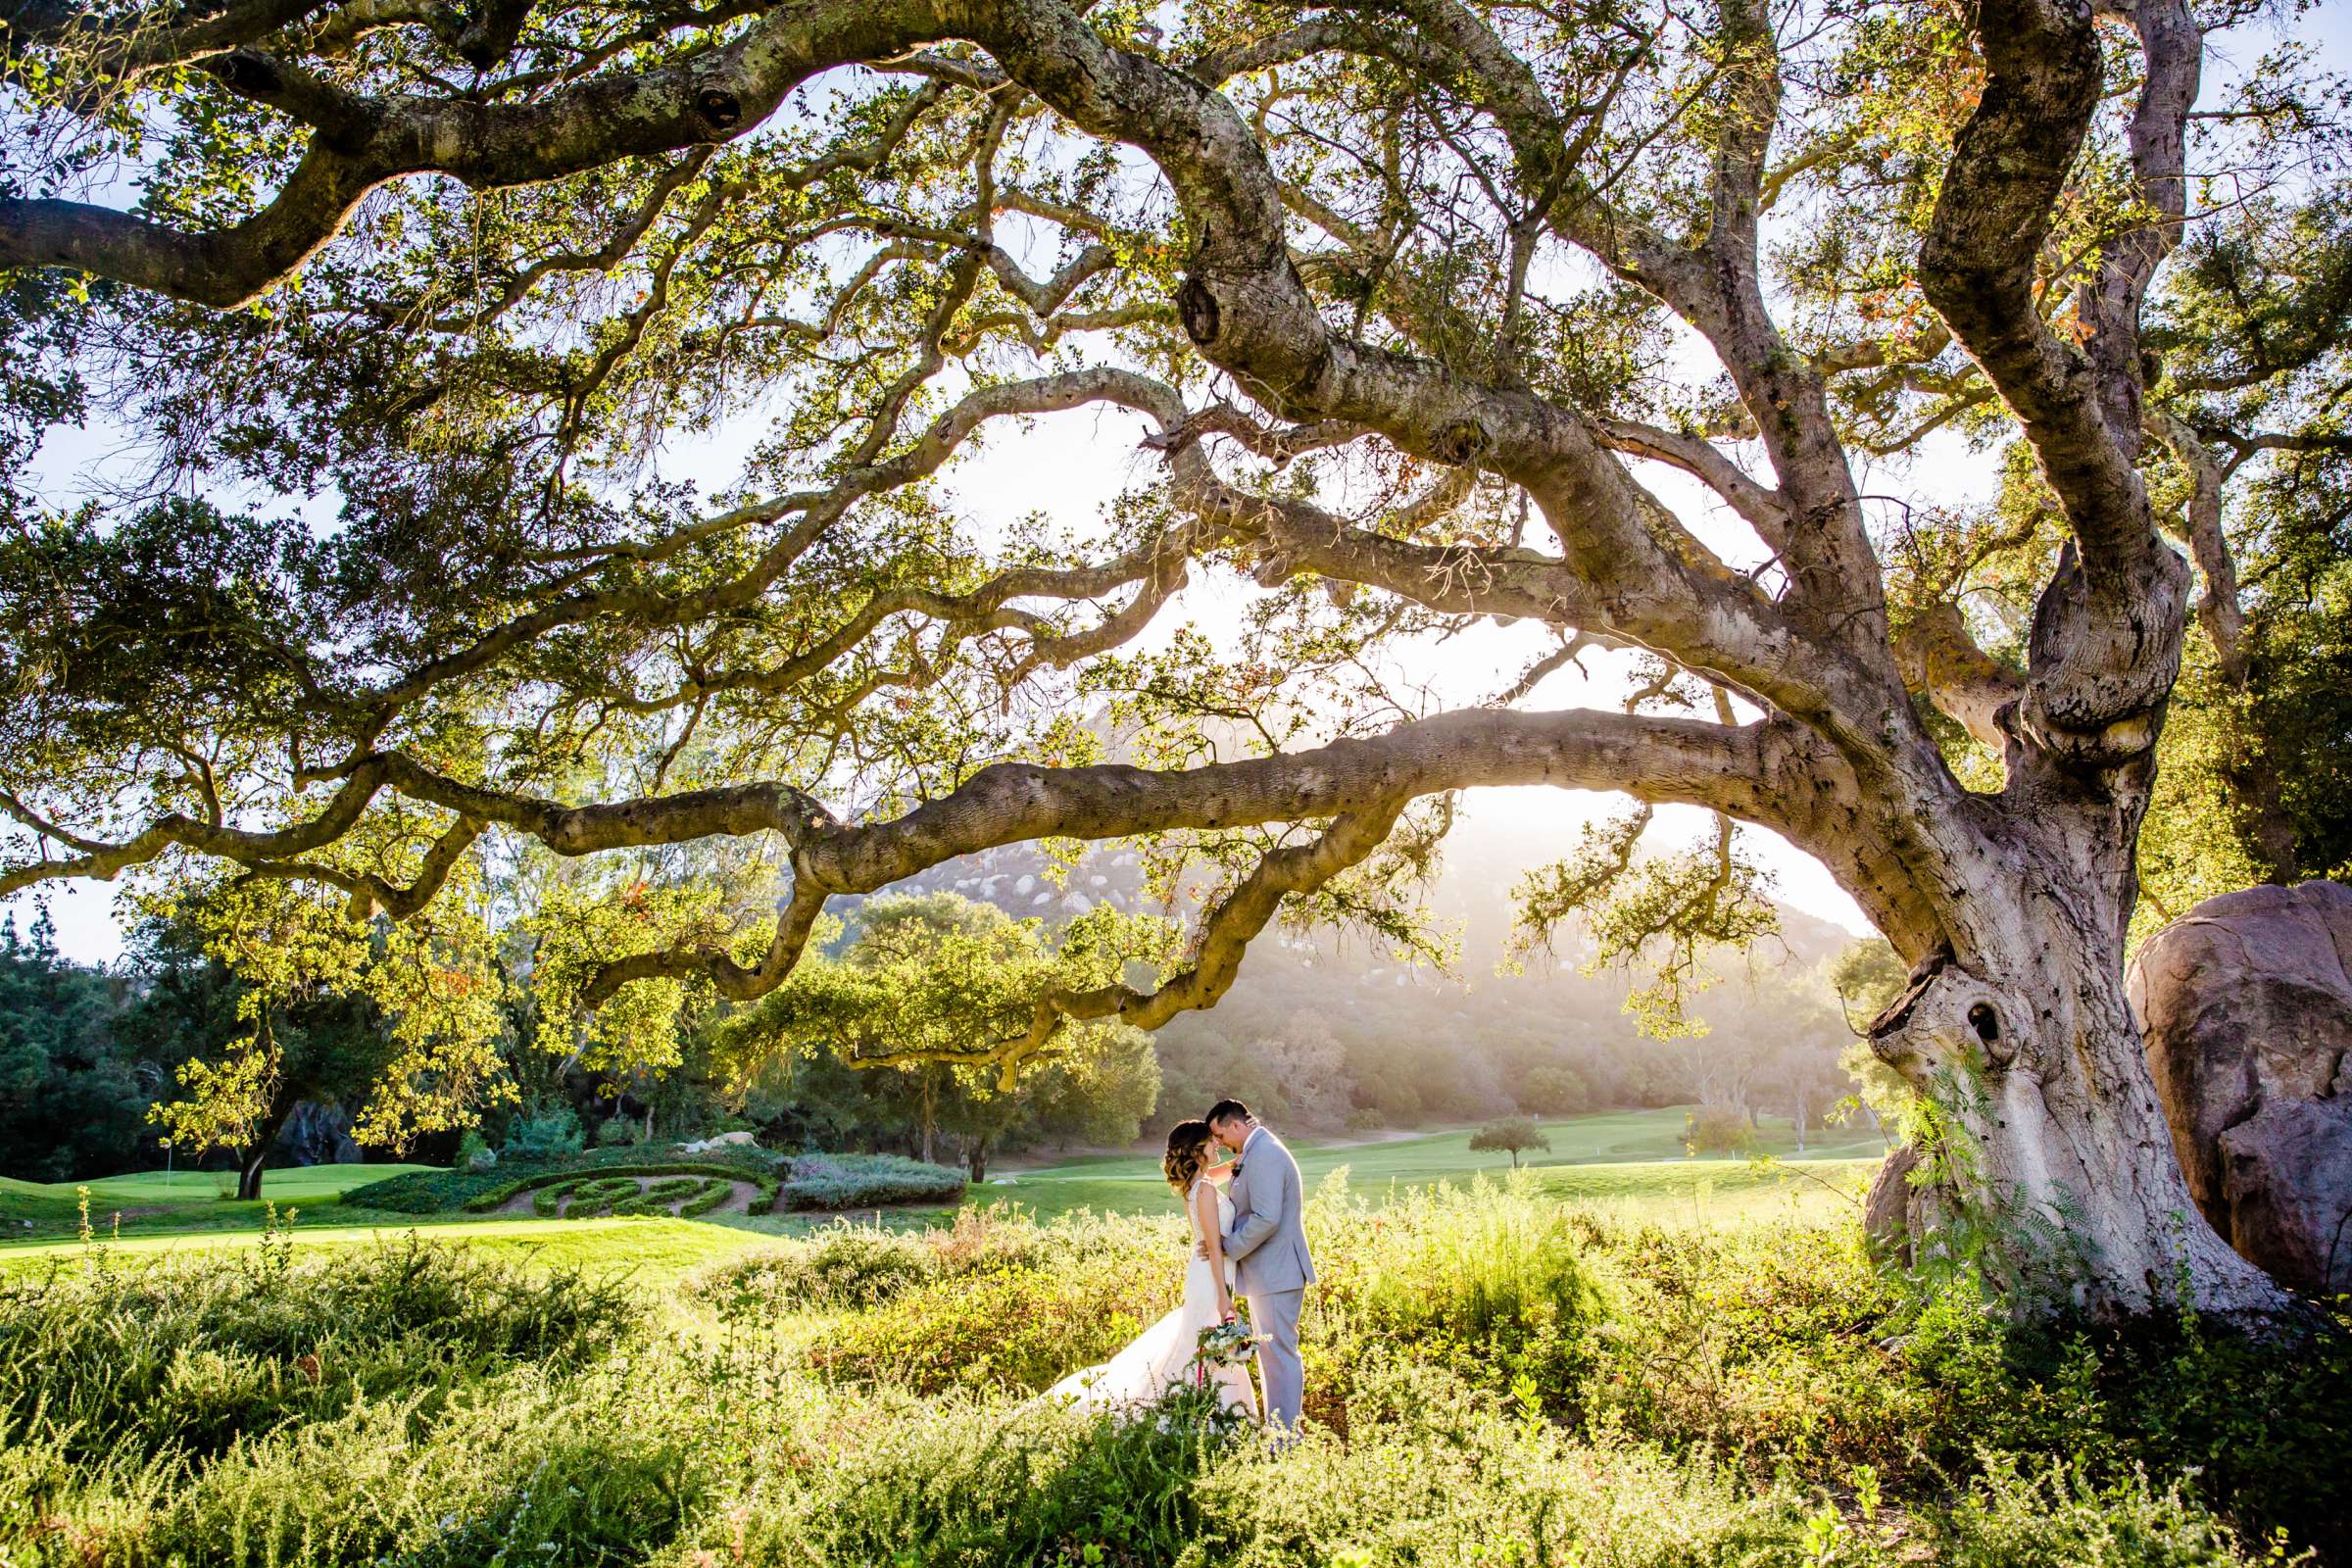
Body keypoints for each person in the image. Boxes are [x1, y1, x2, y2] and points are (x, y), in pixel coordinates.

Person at [1042, 1119, 1258, 1421]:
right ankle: (1206, 1417)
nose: (1217, 1144)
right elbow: (1212, 1247)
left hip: (1205, 1273)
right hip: (1212, 1279)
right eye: (1211, 1141)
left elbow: (1228, 1174)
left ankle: (1201, 1411)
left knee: (1206, 1345)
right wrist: (1224, 1298)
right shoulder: (1205, 1191)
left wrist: (1250, 1149)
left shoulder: (1196, 1187)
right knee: (1210, 1345)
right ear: (1197, 1151)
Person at [1203, 1098, 1314, 1435]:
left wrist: (1227, 1249)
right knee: (1272, 1357)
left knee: (1280, 1356)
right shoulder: (1253, 1152)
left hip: (1277, 1273)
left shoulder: (1264, 1154)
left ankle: (1285, 1439)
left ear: (1235, 1125)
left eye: (1220, 1135)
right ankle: (1277, 1434)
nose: (1219, 1143)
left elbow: (1267, 1218)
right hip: (1267, 1273)